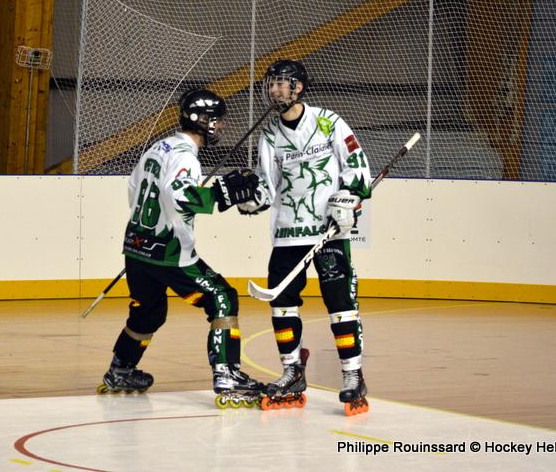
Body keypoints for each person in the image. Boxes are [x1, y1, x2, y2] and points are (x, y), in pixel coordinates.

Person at [99, 88, 265, 408]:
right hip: (169, 252)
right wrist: (222, 195)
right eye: (217, 120)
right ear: (202, 120)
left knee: (148, 311)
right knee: (222, 298)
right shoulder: (186, 156)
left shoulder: (157, 148)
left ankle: (120, 369)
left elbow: (134, 189)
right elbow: (179, 196)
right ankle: (227, 374)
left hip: (136, 248)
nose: (220, 126)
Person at [238, 59, 373, 416]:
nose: (273, 90)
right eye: (271, 84)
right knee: (281, 303)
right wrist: (250, 199)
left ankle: (352, 375)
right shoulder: (269, 135)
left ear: (298, 88)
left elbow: (357, 165)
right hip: (288, 233)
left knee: (340, 302)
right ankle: (292, 371)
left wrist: (350, 196)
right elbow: (267, 186)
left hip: (328, 232)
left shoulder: (328, 122)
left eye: (280, 83)